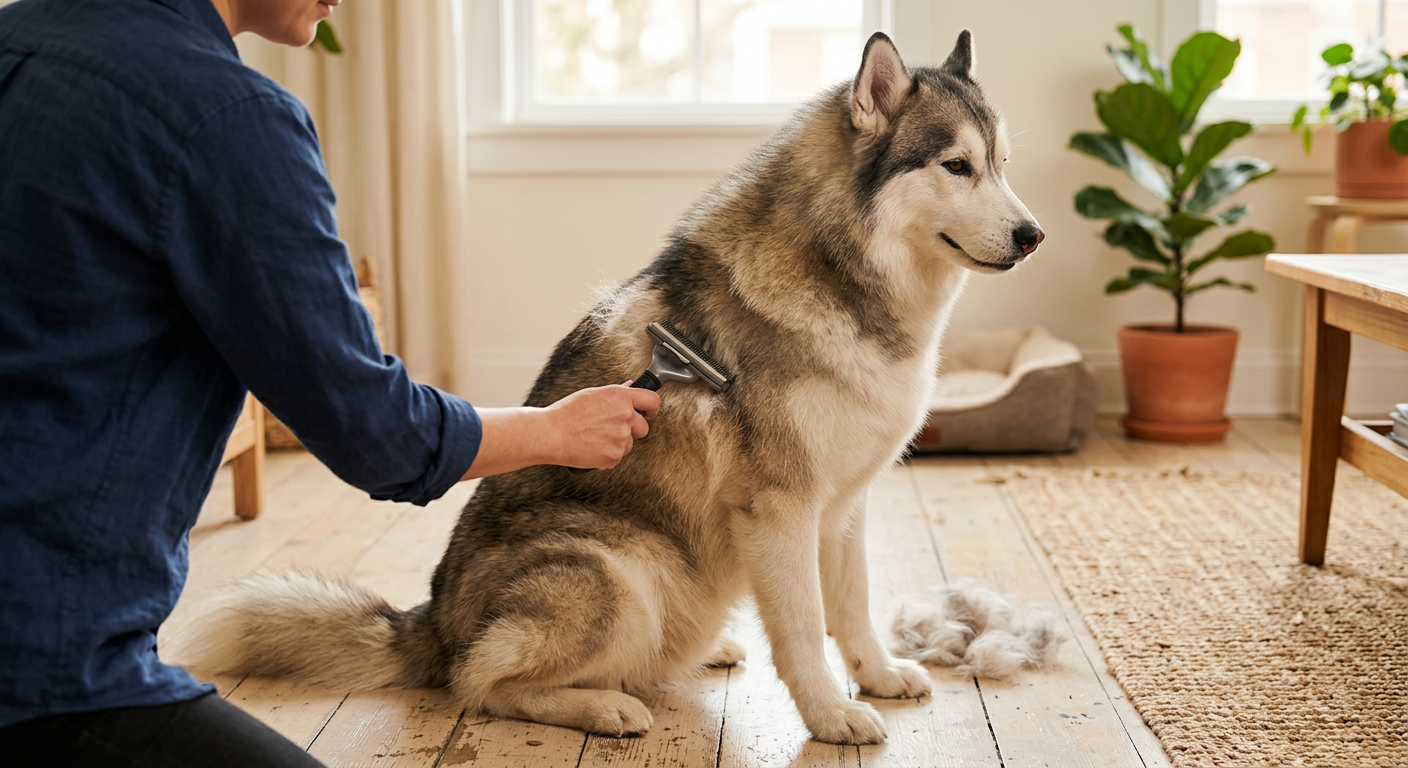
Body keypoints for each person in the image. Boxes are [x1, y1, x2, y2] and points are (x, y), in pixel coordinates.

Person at [0, 0, 660, 764]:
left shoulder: (18, 40)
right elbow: (374, 432)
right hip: (44, 667)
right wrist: (552, 430)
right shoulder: (227, 119)